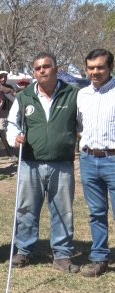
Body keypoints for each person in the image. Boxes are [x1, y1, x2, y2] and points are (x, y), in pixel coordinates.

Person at [6, 52, 79, 273]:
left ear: (56, 69)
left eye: (46, 67)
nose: (42, 71)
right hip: (30, 163)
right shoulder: (24, 96)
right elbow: (12, 124)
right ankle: (24, 251)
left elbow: (84, 124)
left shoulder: (73, 94)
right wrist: (15, 138)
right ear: (33, 72)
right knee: (26, 209)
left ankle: (62, 254)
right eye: (37, 68)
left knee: (63, 210)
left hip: (62, 163)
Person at [77, 48, 115, 277]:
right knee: (96, 213)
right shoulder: (82, 95)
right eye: (91, 68)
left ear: (110, 67)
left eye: (100, 67)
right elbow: (78, 125)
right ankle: (100, 258)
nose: (95, 72)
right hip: (89, 159)